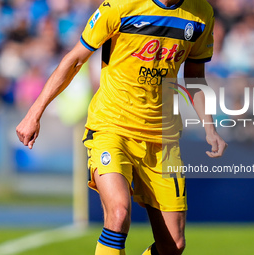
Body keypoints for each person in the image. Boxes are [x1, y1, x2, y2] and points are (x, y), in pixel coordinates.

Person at [16, 0, 227, 254]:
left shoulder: (201, 13)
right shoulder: (120, 6)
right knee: (118, 213)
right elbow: (74, 60)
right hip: (112, 128)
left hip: (162, 140)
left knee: (174, 245)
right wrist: (34, 113)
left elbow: (195, 75)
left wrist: (209, 127)